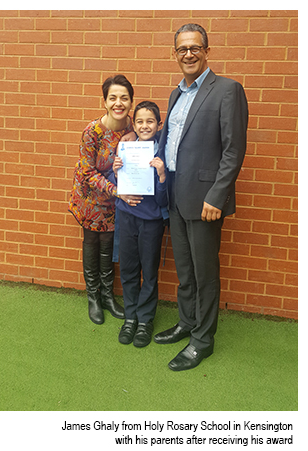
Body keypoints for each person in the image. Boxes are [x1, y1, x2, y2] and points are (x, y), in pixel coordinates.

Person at [153, 23, 249, 371]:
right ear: (174, 54)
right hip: (176, 194)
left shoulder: (226, 90)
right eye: (182, 49)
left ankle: (202, 341)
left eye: (195, 47)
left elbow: (233, 150)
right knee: (185, 269)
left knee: (205, 272)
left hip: (206, 200)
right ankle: (187, 321)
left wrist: (217, 196)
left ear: (207, 51)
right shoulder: (175, 94)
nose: (189, 54)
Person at [68, 74, 136, 325]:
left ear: (131, 102)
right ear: (105, 101)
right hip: (91, 197)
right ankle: (93, 297)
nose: (118, 103)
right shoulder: (92, 131)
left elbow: (151, 138)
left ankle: (108, 296)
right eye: (113, 98)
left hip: (115, 201)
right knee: (92, 241)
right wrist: (115, 190)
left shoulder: (133, 128)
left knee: (109, 241)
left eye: (124, 98)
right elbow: (86, 172)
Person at [110, 101, 168, 347]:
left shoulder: (162, 153)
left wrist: (163, 175)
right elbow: (118, 183)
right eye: (140, 121)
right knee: (129, 269)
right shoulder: (126, 148)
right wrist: (116, 170)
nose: (145, 126)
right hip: (127, 216)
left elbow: (166, 198)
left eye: (150, 121)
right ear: (134, 124)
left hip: (152, 221)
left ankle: (145, 319)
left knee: (149, 271)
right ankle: (130, 317)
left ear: (159, 125)